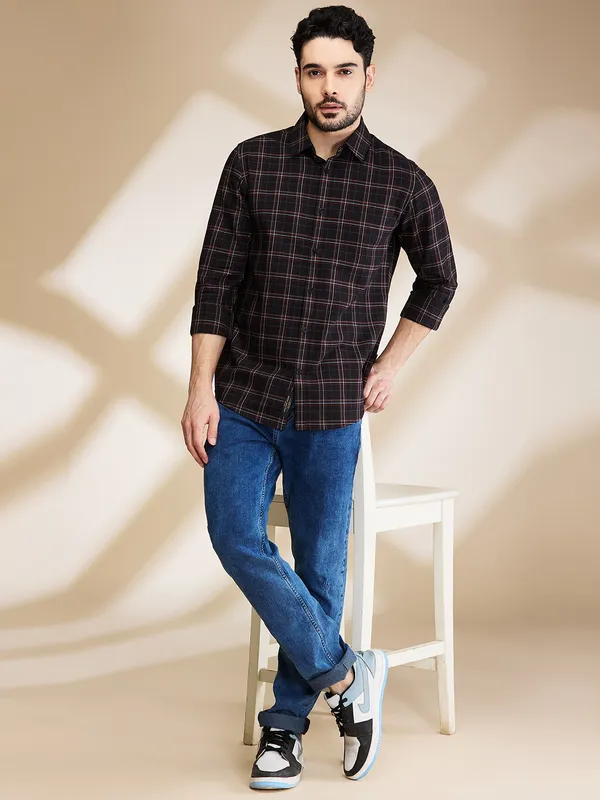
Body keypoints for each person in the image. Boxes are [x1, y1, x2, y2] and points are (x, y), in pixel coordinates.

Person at [181, 4, 457, 790]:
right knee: (234, 533)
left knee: (320, 567)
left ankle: (284, 730)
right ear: (298, 77)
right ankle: (347, 674)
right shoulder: (252, 163)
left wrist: (392, 364)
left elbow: (440, 279)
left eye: (343, 71)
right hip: (244, 394)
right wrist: (199, 388)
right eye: (314, 71)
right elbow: (216, 284)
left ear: (369, 77)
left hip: (334, 406)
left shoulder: (402, 181)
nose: (329, 86)